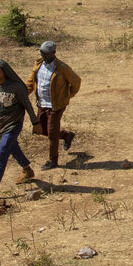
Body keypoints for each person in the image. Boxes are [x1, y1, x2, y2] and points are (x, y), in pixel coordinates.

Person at [0, 59, 43, 197]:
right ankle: (27, 169)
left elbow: (27, 105)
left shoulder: (16, 87)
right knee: (12, 147)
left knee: (2, 151)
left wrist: (35, 123)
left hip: (13, 124)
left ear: (5, 72)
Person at [28, 41, 81, 170]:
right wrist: (23, 93)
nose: (43, 55)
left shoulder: (61, 67)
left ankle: (53, 160)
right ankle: (66, 135)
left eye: (46, 53)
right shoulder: (38, 64)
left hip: (55, 106)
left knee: (52, 133)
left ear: (53, 53)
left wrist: (67, 96)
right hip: (42, 104)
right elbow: (31, 82)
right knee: (41, 129)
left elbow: (76, 81)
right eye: (41, 52)